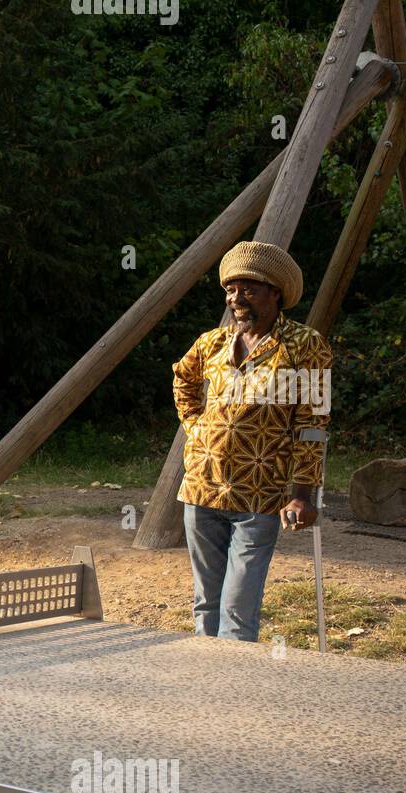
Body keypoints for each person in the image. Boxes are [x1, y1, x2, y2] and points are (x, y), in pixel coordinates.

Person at [171, 241, 332, 643]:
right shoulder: (213, 343)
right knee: (205, 603)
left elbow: (313, 423)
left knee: (237, 610)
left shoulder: (305, 345)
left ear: (275, 292)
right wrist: (194, 425)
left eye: (249, 289)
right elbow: (182, 377)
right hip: (202, 487)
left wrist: (303, 495)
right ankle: (204, 694)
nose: (236, 299)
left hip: (260, 496)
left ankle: (235, 696)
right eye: (231, 290)